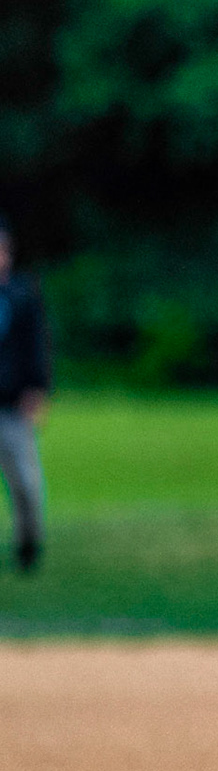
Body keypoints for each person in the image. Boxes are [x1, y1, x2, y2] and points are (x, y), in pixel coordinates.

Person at [0, 214, 51, 574]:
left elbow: (38, 346)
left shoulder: (22, 295)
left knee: (26, 482)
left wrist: (38, 390)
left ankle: (28, 544)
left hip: (13, 405)